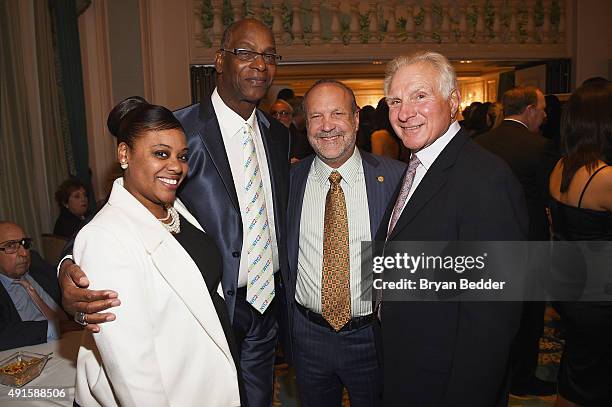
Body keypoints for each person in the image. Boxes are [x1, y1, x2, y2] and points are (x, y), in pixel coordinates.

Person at [58, 19, 290, 407]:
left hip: (266, 310)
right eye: (245, 52)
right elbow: (116, 215)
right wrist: (68, 263)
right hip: (208, 308)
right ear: (219, 60)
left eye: (269, 55)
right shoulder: (178, 128)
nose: (259, 64)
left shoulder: (278, 134)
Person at [379, 51, 528, 407]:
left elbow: (491, 321)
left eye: (420, 96)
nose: (404, 112)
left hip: (447, 382)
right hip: (408, 367)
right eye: (395, 101)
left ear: (454, 101)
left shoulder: (485, 178)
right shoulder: (417, 166)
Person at [73, 97, 241, 406]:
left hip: (205, 380)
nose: (176, 166)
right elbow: (132, 370)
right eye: (161, 154)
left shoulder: (175, 208)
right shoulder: (105, 237)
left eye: (182, 155)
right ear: (124, 154)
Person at [287, 80, 405, 406]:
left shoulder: (398, 179)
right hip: (308, 337)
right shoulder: (288, 182)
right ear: (304, 123)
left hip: (372, 338)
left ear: (355, 118)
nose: (326, 126)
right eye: (316, 116)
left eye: (337, 114)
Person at [477, 85, 558, 397]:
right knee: (529, 317)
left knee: (494, 316)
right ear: (529, 110)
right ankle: (523, 380)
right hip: (527, 246)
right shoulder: (539, 147)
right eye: (541, 109)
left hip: (487, 245)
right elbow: (551, 197)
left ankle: (496, 376)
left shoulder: (480, 143)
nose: (545, 115)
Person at [548, 83, 612, 407]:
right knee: (593, 381)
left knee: (578, 375)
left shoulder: (562, 166)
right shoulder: (604, 177)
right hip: (599, 296)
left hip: (570, 286)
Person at [0, 221, 74, 351]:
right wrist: (56, 328)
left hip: (75, 337)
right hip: (32, 351)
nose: (24, 254)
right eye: (10, 246)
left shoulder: (36, 263)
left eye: (25, 244)